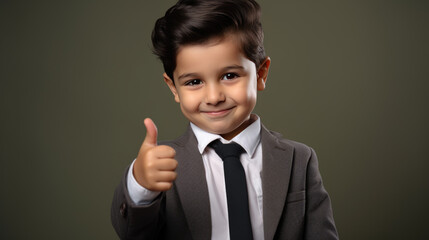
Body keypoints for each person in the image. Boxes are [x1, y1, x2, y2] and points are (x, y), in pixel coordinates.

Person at [111, 0, 338, 239]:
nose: (214, 97)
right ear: (174, 87)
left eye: (229, 76)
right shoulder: (161, 166)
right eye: (194, 82)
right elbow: (131, 233)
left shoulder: (299, 160)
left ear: (260, 74)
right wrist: (141, 185)